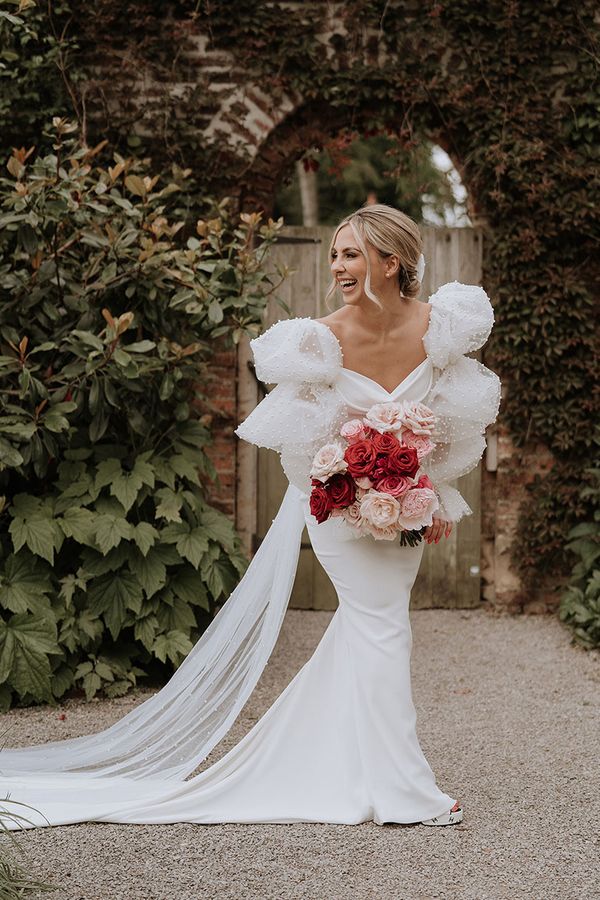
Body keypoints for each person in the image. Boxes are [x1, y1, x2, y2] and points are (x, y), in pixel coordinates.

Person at [0, 204, 500, 829]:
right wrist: (352, 485)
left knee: (369, 627)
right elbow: (304, 445)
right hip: (338, 505)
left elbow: (454, 423)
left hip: (407, 509)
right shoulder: (315, 340)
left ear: (390, 261)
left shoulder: (441, 328)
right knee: (382, 627)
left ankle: (346, 764)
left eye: (351, 253)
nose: (337, 265)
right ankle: (405, 790)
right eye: (336, 253)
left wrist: (435, 495)